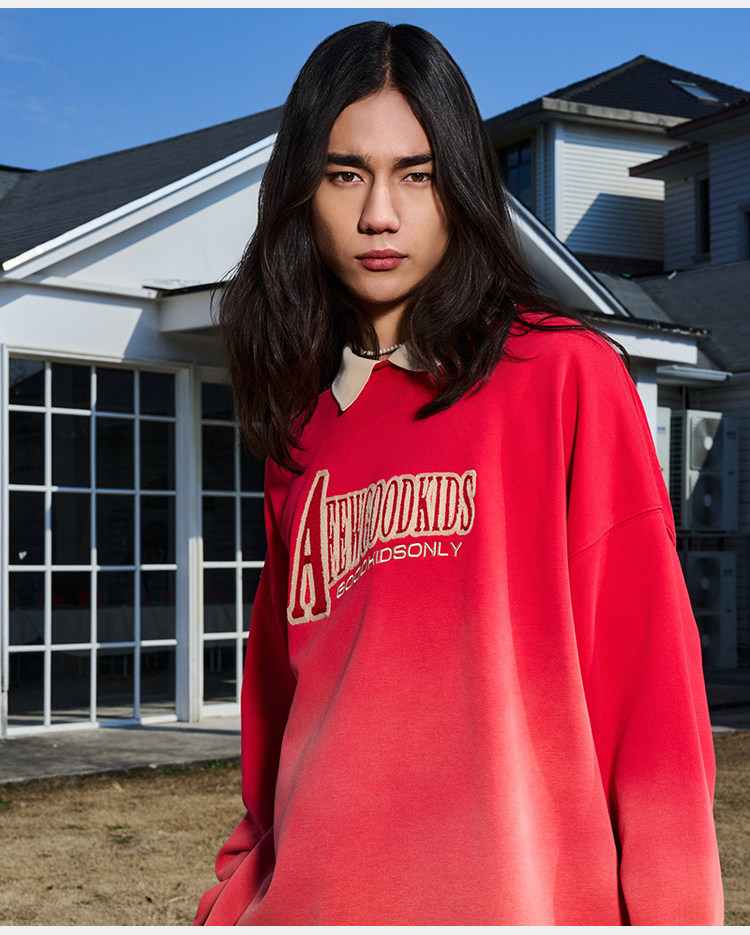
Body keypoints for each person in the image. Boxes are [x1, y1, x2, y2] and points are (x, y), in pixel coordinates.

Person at [194, 21, 723, 926]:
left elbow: (655, 717)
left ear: (463, 186)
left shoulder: (561, 377)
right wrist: (230, 898)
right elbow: (274, 737)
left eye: (418, 174)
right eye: (345, 174)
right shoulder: (304, 435)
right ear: (301, 192)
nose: (379, 214)